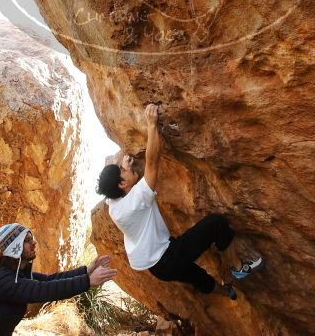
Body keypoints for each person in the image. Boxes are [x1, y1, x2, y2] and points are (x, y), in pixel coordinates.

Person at [96, 104, 263, 300]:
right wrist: (151, 125)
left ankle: (227, 292)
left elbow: (113, 189)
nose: (128, 168)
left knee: (199, 278)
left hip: (156, 268)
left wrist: (122, 169)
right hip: (168, 256)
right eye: (124, 171)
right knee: (216, 223)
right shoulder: (136, 201)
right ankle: (238, 268)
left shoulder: (113, 205)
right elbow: (152, 162)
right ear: (122, 184)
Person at [0, 223, 117, 336]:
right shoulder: (2, 280)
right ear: (14, 248)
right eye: (27, 240)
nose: (34, 243)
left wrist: (87, 272)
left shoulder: (17, 274)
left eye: (32, 238)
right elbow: (45, 290)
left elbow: (49, 280)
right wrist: (87, 282)